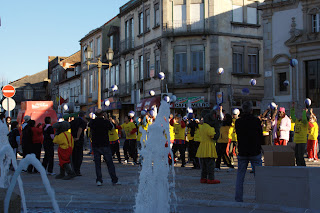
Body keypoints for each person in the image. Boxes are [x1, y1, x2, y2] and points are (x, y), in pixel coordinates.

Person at [235, 101, 262, 202]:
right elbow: (260, 135)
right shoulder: (256, 121)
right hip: (254, 150)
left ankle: (238, 198)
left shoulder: (238, 122)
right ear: (251, 110)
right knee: (259, 177)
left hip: (242, 150)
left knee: (240, 176)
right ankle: (260, 197)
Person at [89, 109, 118, 186]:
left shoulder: (92, 122)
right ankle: (114, 179)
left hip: (95, 145)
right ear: (103, 114)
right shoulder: (106, 122)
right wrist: (106, 118)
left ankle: (99, 180)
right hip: (105, 144)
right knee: (109, 163)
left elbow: (90, 128)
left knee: (97, 164)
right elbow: (112, 128)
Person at [196, 112, 220, 184]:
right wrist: (217, 130)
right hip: (209, 146)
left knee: (203, 165)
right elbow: (214, 136)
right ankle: (211, 178)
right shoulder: (209, 128)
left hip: (202, 146)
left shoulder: (202, 127)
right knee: (210, 164)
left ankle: (203, 178)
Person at [70, 111, 87, 176]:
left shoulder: (73, 121)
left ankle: (73, 169)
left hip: (72, 139)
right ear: (83, 116)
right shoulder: (83, 122)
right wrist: (78, 137)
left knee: (74, 155)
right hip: (79, 140)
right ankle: (77, 170)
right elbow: (80, 129)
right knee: (79, 156)